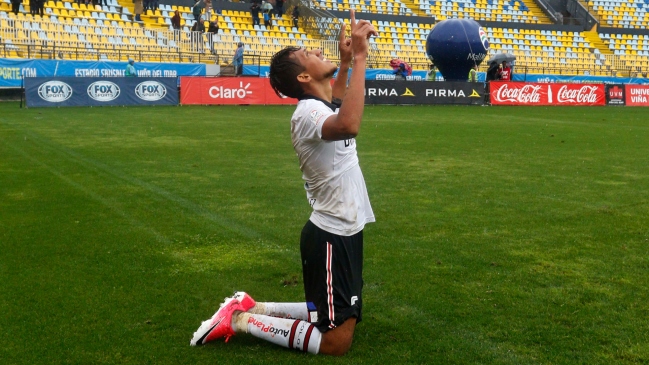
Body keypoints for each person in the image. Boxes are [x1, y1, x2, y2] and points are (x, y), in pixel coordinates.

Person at [190, 10, 377, 356]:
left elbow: (337, 98)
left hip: (343, 229)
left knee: (344, 313)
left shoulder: (318, 105)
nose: (317, 51)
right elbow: (349, 123)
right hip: (331, 234)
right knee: (336, 342)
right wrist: (362, 57)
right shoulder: (307, 113)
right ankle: (241, 321)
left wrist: (347, 60)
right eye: (309, 54)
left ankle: (249, 306)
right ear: (305, 76)